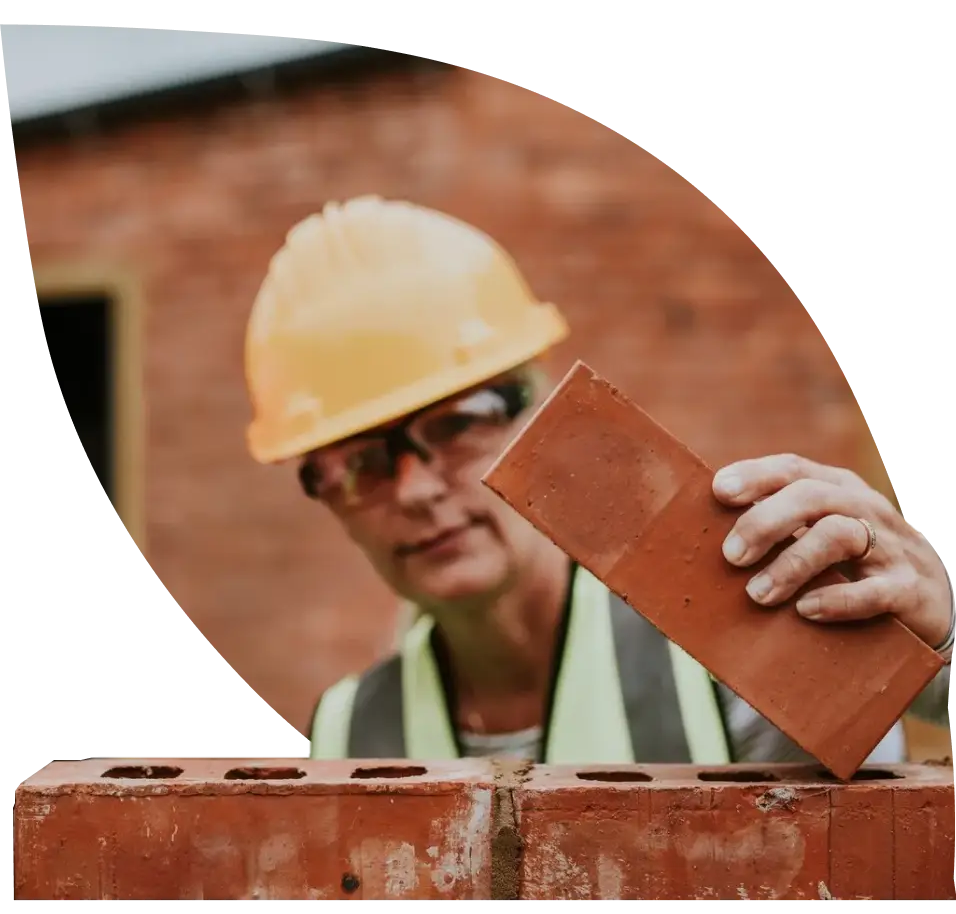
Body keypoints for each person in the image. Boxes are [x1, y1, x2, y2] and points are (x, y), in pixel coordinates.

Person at [243, 195, 954, 765]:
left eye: (459, 423)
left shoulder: (728, 650)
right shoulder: (342, 734)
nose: (415, 491)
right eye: (359, 463)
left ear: (542, 413)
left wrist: (945, 639)